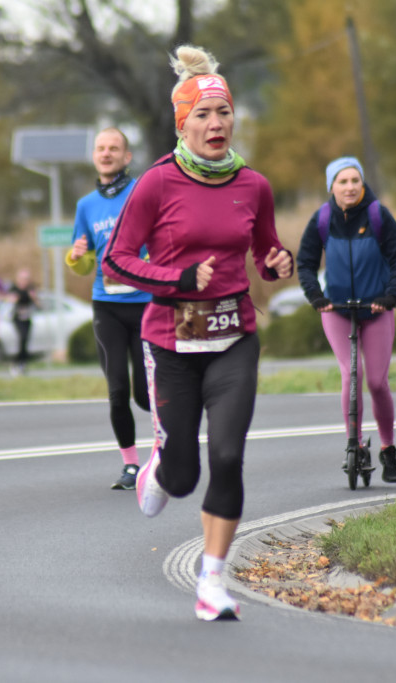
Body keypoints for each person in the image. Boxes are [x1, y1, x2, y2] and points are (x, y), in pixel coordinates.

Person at [102, 45, 293, 621]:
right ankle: (161, 462)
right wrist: (178, 277)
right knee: (184, 476)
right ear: (183, 123)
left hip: (235, 337)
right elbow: (116, 261)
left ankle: (212, 583)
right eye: (204, 116)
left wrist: (277, 263)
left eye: (224, 114)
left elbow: (262, 251)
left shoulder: (253, 185)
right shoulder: (157, 184)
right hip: (171, 343)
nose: (216, 125)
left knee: (229, 457)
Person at [296, 157, 396, 484]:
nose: (349, 187)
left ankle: (388, 448)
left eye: (354, 181)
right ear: (331, 186)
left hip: (376, 309)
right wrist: (316, 296)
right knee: (350, 375)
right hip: (337, 310)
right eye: (342, 181)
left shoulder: (378, 215)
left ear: (362, 183)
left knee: (376, 381)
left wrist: (391, 295)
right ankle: (355, 443)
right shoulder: (321, 219)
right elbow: (304, 263)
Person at [66, 127, 152, 491]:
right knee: (117, 389)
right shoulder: (86, 205)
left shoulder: (143, 192)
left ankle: (168, 447)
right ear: (94, 156)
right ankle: (131, 466)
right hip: (107, 307)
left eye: (114, 148)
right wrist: (75, 258)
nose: (106, 153)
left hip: (147, 304)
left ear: (126, 156)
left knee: (145, 395)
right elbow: (84, 261)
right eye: (101, 148)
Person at [8, 268, 39, 375]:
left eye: (27, 279)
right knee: (22, 338)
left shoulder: (30, 289)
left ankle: (23, 363)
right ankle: (15, 363)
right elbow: (8, 301)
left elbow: (38, 304)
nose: (25, 281)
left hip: (27, 318)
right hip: (17, 318)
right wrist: (12, 299)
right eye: (23, 278)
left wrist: (34, 298)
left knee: (26, 341)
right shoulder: (14, 289)